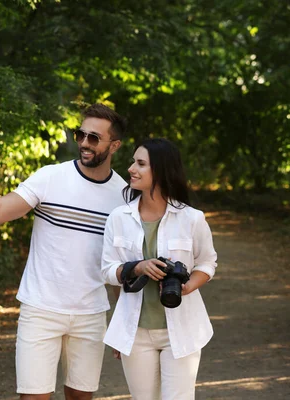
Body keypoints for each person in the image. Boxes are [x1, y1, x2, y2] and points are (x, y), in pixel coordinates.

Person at [0, 104, 128, 400]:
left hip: (91, 313)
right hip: (41, 308)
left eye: (94, 138)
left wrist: (121, 327)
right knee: (33, 396)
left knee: (80, 396)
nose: (84, 143)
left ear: (114, 145)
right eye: (80, 134)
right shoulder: (51, 177)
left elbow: (120, 267)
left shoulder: (123, 197)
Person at [101, 138, 217, 400]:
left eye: (141, 163)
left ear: (162, 170)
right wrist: (137, 267)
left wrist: (189, 285)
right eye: (133, 162)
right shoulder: (118, 218)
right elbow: (107, 271)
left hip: (182, 329)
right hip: (135, 332)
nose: (131, 168)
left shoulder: (191, 218)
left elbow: (208, 262)